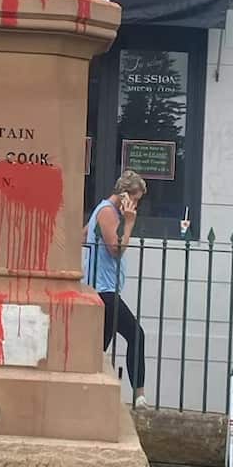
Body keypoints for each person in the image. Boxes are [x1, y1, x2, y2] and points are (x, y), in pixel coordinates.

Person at [86, 170, 148, 405]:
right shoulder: (107, 212)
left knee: (100, 347)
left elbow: (84, 235)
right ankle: (139, 396)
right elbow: (116, 249)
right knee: (136, 335)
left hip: (102, 288)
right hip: (105, 291)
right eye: (135, 199)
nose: (136, 206)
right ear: (124, 195)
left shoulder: (101, 211)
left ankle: (91, 394)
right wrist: (130, 223)